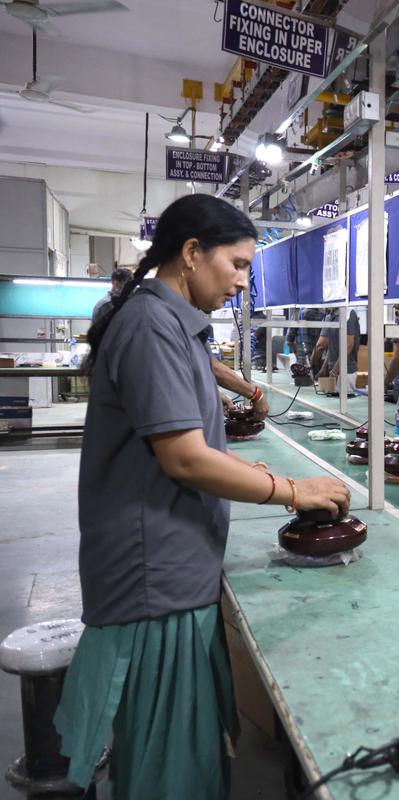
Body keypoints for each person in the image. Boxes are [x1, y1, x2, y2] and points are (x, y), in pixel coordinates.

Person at [56, 194, 350, 799]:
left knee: (184, 753)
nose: (243, 281)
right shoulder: (150, 325)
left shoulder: (173, 321)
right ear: (191, 254)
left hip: (173, 569)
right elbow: (184, 456)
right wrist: (292, 491)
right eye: (237, 264)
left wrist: (243, 464)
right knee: (170, 769)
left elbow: (190, 437)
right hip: (153, 579)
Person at [312, 307, 362, 391]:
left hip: (347, 371)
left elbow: (348, 345)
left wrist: (335, 370)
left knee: (345, 401)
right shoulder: (329, 317)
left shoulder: (348, 313)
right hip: (332, 370)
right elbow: (331, 346)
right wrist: (323, 368)